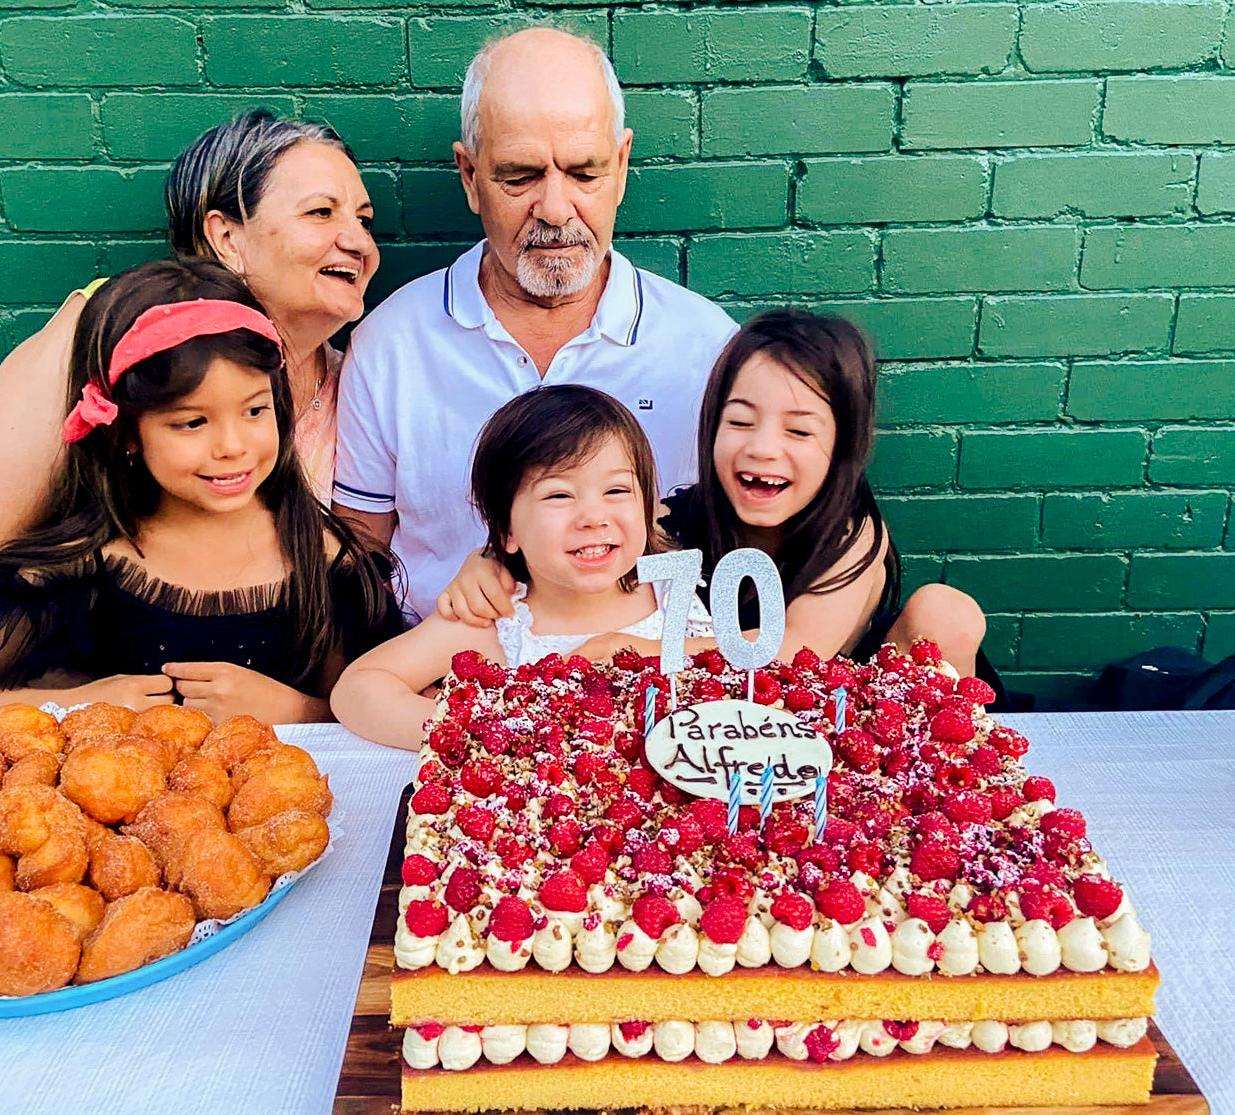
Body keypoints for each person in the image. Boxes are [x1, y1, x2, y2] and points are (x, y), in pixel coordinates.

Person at [0, 109, 379, 665]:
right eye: (321, 213)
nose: (358, 241)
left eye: (365, 219)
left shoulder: (355, 381)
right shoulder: (106, 331)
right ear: (226, 236)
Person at [332, 26, 737, 622]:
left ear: (622, 167)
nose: (554, 208)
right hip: (441, 681)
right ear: (469, 176)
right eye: (519, 176)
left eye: (585, 173)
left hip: (641, 693)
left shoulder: (706, 347)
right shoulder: (393, 344)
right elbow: (357, 560)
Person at [0, 258, 399, 729]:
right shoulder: (88, 564)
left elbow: (376, 709)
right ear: (127, 433)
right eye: (192, 422)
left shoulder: (327, 563)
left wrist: (295, 711)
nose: (232, 447)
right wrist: (77, 708)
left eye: (254, 411)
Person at [439, 309, 988, 676]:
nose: (764, 449)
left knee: (947, 610)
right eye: (741, 421)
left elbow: (793, 653)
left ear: (842, 445)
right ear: (710, 426)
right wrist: (489, 560)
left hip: (846, 708)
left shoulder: (850, 533)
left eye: (799, 431)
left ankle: (944, 775)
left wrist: (634, 651)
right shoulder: (676, 518)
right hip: (733, 731)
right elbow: (594, 531)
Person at [331, 386, 713, 750]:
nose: (594, 517)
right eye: (559, 495)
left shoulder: (672, 590)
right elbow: (359, 689)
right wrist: (485, 729)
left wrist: (646, 651)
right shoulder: (495, 620)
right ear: (506, 530)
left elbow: (753, 660)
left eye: (617, 491)